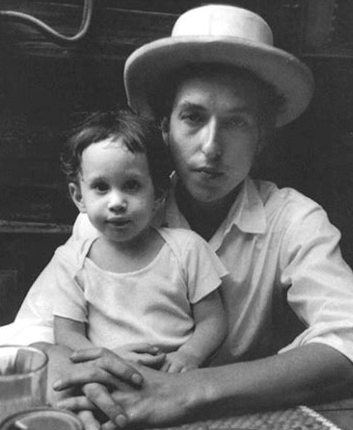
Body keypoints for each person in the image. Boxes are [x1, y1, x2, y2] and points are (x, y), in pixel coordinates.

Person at [0, 4, 353, 430]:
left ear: (261, 137)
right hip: (114, 416)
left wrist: (185, 390)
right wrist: (69, 371)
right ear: (164, 127)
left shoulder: (293, 219)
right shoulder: (114, 216)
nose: (211, 146)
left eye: (237, 122)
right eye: (192, 116)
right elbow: (22, 337)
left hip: (229, 426)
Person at [52, 109, 227, 373]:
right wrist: (105, 357)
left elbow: (213, 320)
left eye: (132, 185)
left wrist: (189, 355)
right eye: (101, 187)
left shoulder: (187, 249)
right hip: (110, 377)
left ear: (157, 194)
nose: (117, 203)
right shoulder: (71, 262)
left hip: (178, 380)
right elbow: (66, 333)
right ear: (78, 197)